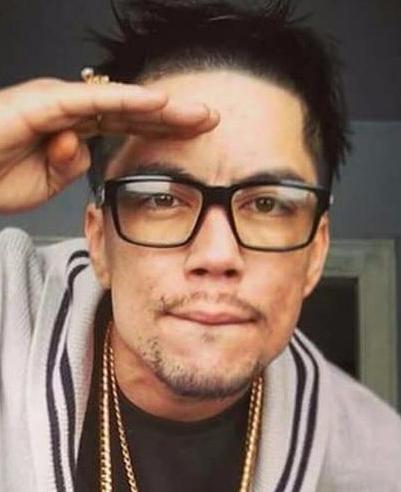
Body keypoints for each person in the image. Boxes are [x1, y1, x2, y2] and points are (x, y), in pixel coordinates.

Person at [0, 1, 400, 491]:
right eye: (162, 198)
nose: (217, 256)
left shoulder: (379, 462)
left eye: (268, 204)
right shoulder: (9, 316)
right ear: (99, 241)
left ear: (316, 254)